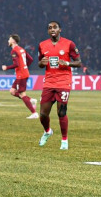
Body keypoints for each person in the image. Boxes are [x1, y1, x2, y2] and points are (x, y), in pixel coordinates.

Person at [37, 20, 82, 150]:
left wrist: (67, 63)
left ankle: (64, 140)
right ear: (48, 31)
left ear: (60, 30)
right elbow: (40, 63)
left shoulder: (69, 44)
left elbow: (78, 62)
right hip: (49, 82)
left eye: (55, 27)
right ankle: (47, 131)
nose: (52, 29)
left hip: (63, 82)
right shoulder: (42, 45)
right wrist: (42, 63)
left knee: (61, 112)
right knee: (43, 114)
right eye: (50, 28)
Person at [1, 34, 39, 119]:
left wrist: (6, 67)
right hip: (23, 73)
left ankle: (34, 113)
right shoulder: (22, 49)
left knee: (22, 94)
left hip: (21, 75)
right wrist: (25, 67)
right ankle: (31, 100)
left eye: (9, 39)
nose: (8, 41)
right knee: (12, 91)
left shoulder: (14, 51)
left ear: (13, 41)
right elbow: (31, 59)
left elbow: (16, 64)